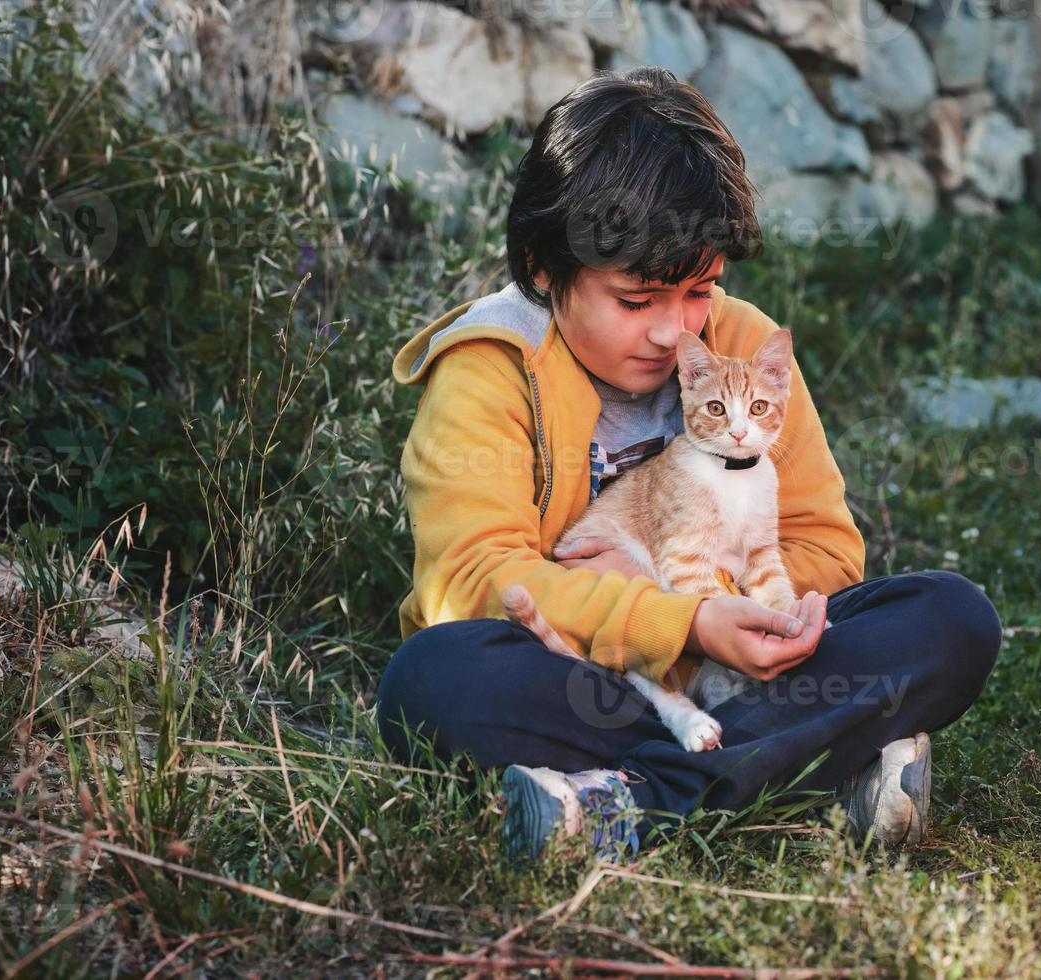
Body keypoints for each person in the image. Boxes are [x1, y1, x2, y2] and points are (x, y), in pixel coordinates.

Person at [377, 66, 1002, 863]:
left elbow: (827, 549)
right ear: (542, 265)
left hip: (739, 673)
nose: (676, 333)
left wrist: (721, 623)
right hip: (589, 680)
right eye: (637, 302)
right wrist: (675, 620)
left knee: (952, 618)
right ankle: (808, 772)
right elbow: (471, 582)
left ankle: (624, 805)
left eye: (699, 290)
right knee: (429, 679)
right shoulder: (490, 368)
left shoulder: (741, 346)